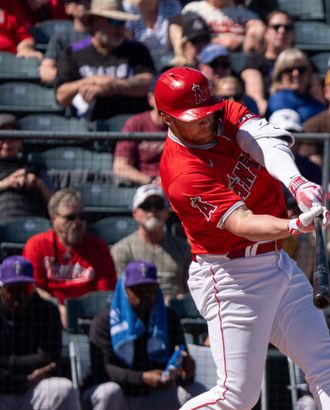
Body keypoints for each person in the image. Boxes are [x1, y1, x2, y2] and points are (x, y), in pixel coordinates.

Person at [96, 66, 330, 410]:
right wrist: (294, 224)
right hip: (229, 276)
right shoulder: (181, 173)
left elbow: (265, 142)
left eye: (207, 110)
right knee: (236, 395)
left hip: (275, 265)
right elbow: (241, 222)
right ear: (165, 117)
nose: (205, 120)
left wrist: (298, 184)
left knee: (326, 367)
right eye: (192, 116)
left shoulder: (221, 111)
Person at [84, 260, 208, 410]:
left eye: (150, 288)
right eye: (138, 289)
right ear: (125, 289)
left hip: (155, 397)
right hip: (119, 400)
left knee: (196, 393)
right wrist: (142, 378)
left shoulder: (167, 317)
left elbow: (179, 360)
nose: (145, 294)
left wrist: (186, 372)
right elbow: (103, 371)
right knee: (107, 393)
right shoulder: (105, 320)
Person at [0, 255, 85, 410]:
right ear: (1, 288)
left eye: (25, 288)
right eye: (12, 289)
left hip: (32, 394)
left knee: (64, 390)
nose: (18, 296)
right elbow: (39, 360)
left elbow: (50, 357)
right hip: (7, 390)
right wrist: (25, 376)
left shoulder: (45, 311)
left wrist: (9, 365)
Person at [23, 188, 117, 327]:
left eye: (82, 217)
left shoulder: (98, 247)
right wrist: (57, 308)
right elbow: (34, 287)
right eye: (70, 217)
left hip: (91, 318)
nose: (78, 222)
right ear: (53, 217)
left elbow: (105, 292)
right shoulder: (37, 245)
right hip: (48, 317)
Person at [54, 0, 155, 121]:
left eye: (122, 22)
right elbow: (61, 95)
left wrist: (113, 85)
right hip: (88, 129)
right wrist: (92, 81)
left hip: (132, 129)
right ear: (94, 22)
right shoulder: (73, 52)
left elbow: (149, 83)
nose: (119, 27)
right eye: (113, 21)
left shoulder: (137, 50)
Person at [110, 184, 191, 302]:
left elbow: (190, 290)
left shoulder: (183, 248)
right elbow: (121, 293)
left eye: (158, 206)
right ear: (135, 213)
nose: (153, 211)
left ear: (167, 212)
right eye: (146, 206)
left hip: (176, 313)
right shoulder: (121, 249)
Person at [241, 9, 295, 116]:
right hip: (270, 116)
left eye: (287, 28)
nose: (282, 31)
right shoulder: (255, 61)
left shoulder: (302, 62)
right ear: (266, 32)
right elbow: (256, 100)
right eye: (276, 27)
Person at [113, 80, 167, 186]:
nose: (167, 100)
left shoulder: (184, 124)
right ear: (150, 98)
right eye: (163, 95)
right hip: (144, 185)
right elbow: (120, 166)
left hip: (176, 185)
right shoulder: (136, 123)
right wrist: (151, 182)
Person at [0, 114, 52, 222]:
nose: (7, 142)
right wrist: (7, 183)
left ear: (20, 142)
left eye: (12, 137)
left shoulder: (33, 167)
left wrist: (39, 185)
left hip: (32, 222)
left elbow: (56, 205)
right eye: (2, 137)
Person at [265, 48, 326, 125]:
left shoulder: (315, 103)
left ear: (308, 74)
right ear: (280, 75)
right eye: (289, 70)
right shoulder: (279, 99)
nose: (296, 73)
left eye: (301, 70)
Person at [39, 0, 91, 85]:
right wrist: (79, 83)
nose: (83, 5)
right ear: (68, 7)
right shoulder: (61, 37)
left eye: (88, 0)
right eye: (78, 1)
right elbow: (46, 71)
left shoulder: (104, 36)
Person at [181, 0, 261, 53]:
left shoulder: (248, 15)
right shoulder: (194, 9)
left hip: (239, 57)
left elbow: (254, 43)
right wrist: (219, 42)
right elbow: (190, 40)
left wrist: (241, 40)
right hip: (206, 58)